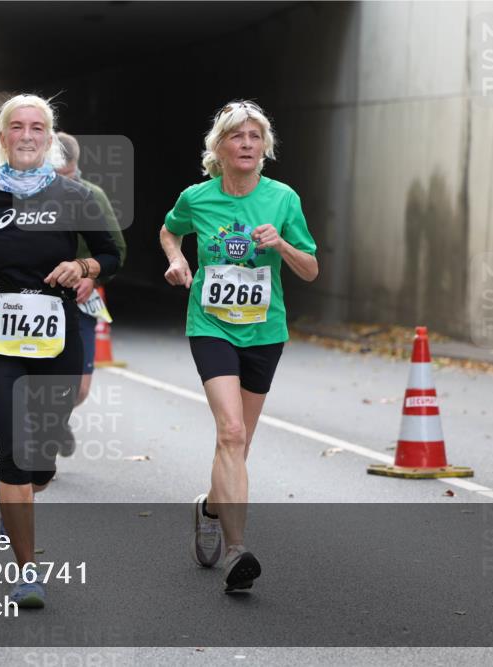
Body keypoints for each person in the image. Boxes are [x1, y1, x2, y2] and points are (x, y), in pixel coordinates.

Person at [0, 94, 120, 608]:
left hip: (59, 336)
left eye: (37, 127)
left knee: (40, 460)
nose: (27, 135)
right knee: (15, 456)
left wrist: (85, 268)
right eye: (17, 127)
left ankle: (20, 500)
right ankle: (27, 572)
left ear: (49, 138)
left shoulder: (77, 196)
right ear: (2, 138)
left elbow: (113, 254)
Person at [159, 100, 318, 593]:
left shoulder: (283, 199)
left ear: (264, 148)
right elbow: (169, 229)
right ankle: (236, 551)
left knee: (239, 445)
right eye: (236, 137)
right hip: (211, 326)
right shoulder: (197, 197)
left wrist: (283, 247)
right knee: (229, 432)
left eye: (254, 137)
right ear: (220, 149)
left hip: (264, 332)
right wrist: (178, 260)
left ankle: (210, 506)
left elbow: (310, 269)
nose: (246, 144)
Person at [54, 132, 127, 414]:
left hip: (80, 302)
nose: (64, 183)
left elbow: (117, 250)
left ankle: (55, 421)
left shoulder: (92, 195)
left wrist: (92, 278)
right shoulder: (27, 197)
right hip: (38, 300)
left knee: (80, 389)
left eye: (69, 175)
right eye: (56, 175)